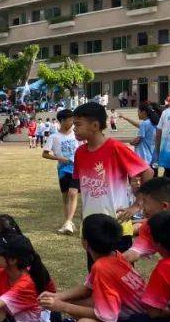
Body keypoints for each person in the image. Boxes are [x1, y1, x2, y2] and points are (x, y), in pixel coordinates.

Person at [40, 214, 151, 322]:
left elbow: (105, 315)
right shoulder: (114, 255)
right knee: (78, 304)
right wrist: (58, 297)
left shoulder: (102, 267)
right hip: (135, 317)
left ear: (85, 243)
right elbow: (87, 289)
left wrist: (61, 306)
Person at [72, 101, 152, 266]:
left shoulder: (115, 148)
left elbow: (147, 172)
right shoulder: (80, 153)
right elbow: (86, 192)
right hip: (92, 228)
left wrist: (137, 205)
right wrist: (84, 228)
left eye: (78, 124)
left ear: (95, 125)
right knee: (97, 274)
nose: (74, 128)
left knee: (121, 275)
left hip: (117, 227)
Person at [42, 108, 81, 235]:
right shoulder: (53, 137)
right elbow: (45, 154)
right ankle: (68, 223)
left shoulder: (77, 134)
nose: (72, 122)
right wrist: (59, 158)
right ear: (62, 120)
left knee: (73, 193)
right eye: (70, 119)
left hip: (77, 168)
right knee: (65, 197)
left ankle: (69, 222)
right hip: (63, 170)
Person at [121, 104, 160, 172]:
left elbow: (138, 139)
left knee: (144, 180)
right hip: (153, 157)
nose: (137, 114)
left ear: (143, 112)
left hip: (144, 157)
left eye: (138, 112)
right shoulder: (153, 123)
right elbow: (138, 125)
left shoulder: (145, 124)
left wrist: (131, 142)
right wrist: (126, 118)